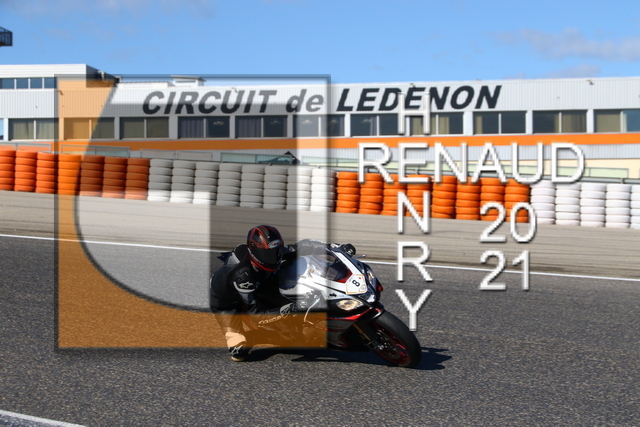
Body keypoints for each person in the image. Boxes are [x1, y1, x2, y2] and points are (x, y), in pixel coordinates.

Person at [209, 225, 355, 362]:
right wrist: (292, 308)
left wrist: (336, 247)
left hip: (261, 285)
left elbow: (304, 245)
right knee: (239, 352)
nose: (274, 257)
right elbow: (257, 316)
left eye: (276, 251)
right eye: (268, 254)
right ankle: (254, 336)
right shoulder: (243, 276)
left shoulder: (276, 253)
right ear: (256, 252)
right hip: (229, 304)